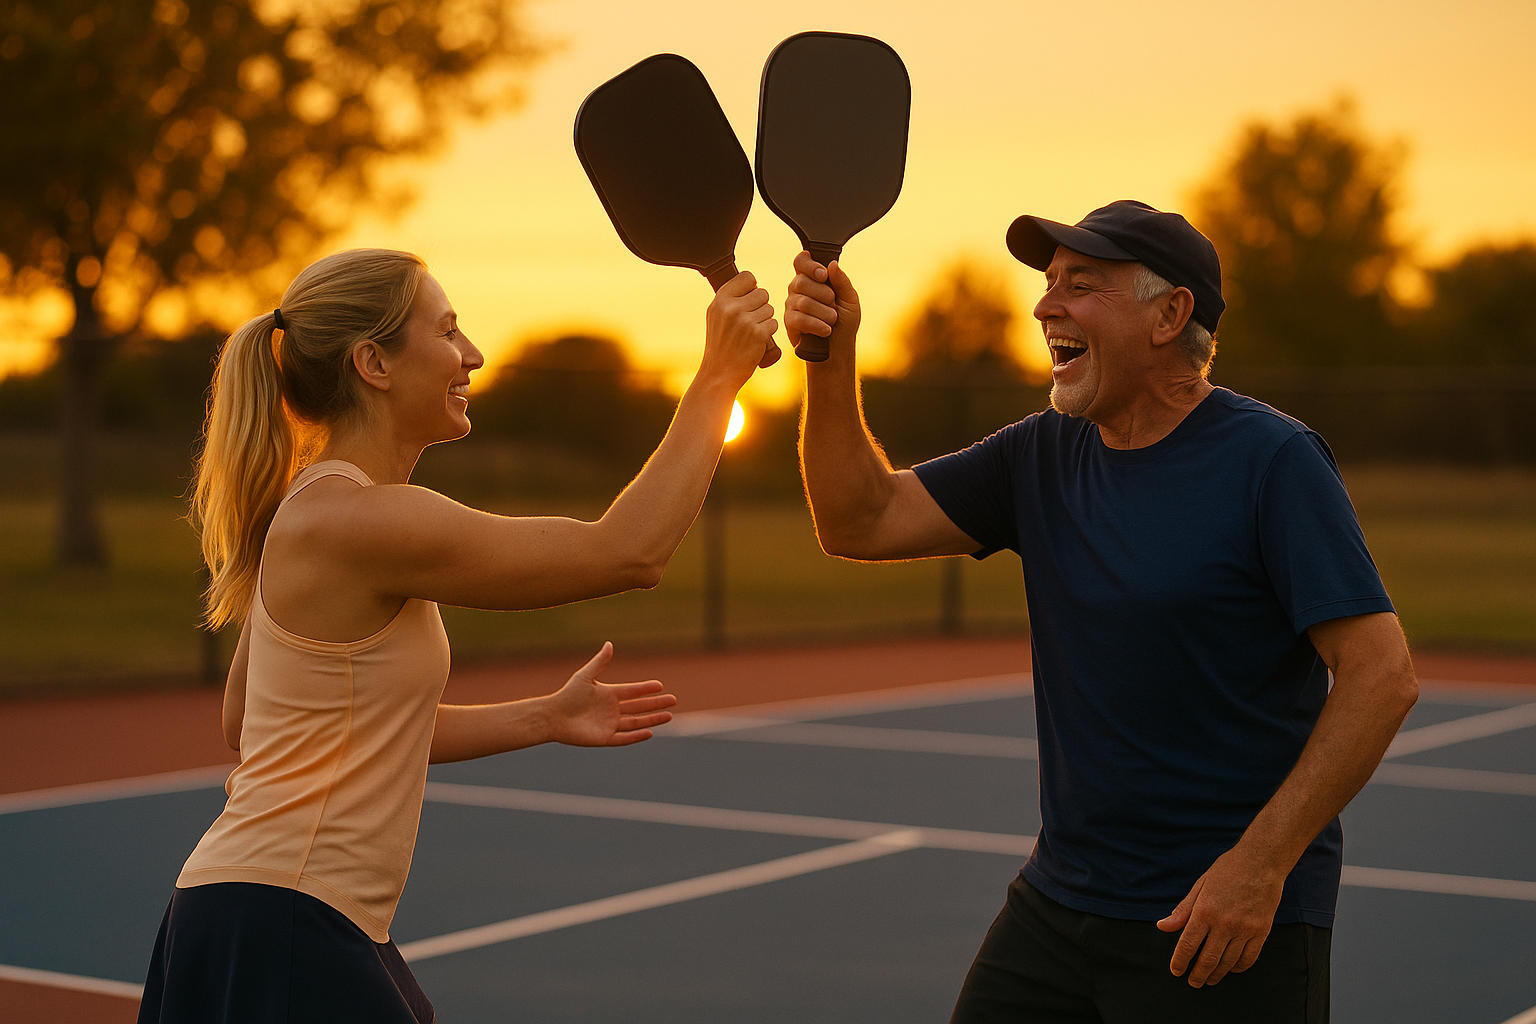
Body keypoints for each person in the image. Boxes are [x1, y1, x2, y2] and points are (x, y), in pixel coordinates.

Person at [784, 200, 1418, 1023]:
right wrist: (830, 360)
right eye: (1049, 285)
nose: (1047, 305)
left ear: (1170, 314)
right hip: (1058, 907)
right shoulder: (1037, 455)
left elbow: (1382, 675)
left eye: (1082, 285)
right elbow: (856, 520)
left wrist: (1258, 868)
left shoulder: (1273, 460)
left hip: (1216, 924)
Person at [138, 248, 778, 1023]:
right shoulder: (366, 520)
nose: (472, 354)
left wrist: (544, 717)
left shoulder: (313, 513)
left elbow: (259, 722)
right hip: (285, 918)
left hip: (255, 912)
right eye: (447, 332)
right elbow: (629, 551)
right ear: (373, 362)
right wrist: (717, 379)